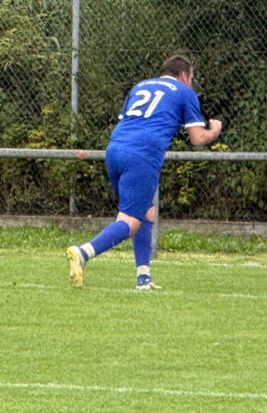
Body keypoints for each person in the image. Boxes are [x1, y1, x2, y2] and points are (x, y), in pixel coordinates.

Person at [66, 55, 222, 290]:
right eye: (191, 77)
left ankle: (143, 277)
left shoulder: (140, 86)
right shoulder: (184, 92)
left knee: (147, 211)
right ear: (183, 75)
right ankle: (84, 252)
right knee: (130, 221)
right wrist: (214, 130)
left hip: (115, 150)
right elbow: (198, 138)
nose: (191, 82)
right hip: (142, 155)